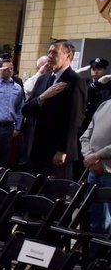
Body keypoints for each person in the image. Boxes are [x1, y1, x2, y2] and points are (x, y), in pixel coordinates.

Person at [23, 40, 87, 178]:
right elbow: (26, 110)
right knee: (33, 193)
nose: (50, 56)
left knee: (53, 195)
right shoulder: (43, 79)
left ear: (68, 56)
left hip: (57, 152)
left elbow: (75, 119)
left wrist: (63, 149)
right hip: (37, 148)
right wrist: (42, 97)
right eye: (49, 52)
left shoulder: (75, 81)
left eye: (54, 53)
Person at [80, 86, 111, 235]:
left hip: (109, 172)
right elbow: (86, 135)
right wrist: (88, 155)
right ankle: (92, 255)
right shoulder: (104, 105)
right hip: (94, 170)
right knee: (94, 219)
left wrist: (97, 155)